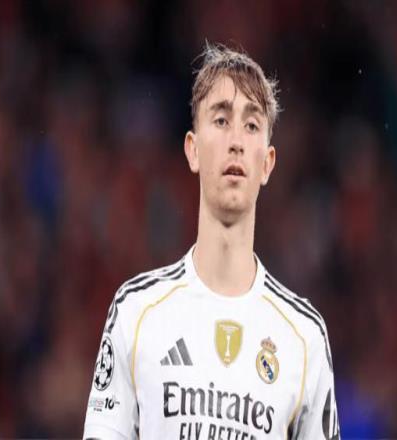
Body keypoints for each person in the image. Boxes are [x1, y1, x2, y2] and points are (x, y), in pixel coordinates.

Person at [83, 43, 340, 440]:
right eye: (221, 120)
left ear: (267, 163)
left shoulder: (303, 338)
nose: (236, 140)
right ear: (193, 150)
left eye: (251, 125)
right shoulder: (136, 313)